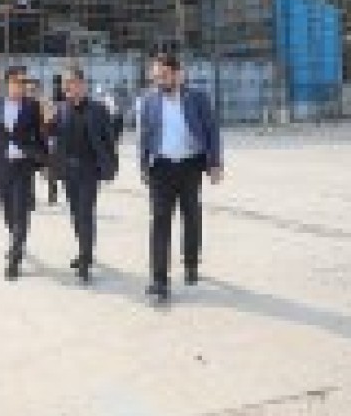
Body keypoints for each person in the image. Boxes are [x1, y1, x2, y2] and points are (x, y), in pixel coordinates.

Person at [137, 54, 223, 301]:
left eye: (163, 76)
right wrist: (143, 165)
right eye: (156, 77)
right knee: (159, 221)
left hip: (190, 166)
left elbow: (212, 130)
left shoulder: (198, 97)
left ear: (178, 74)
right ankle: (159, 279)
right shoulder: (148, 100)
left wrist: (215, 163)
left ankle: (191, 263)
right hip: (161, 167)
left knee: (191, 216)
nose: (159, 81)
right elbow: (145, 135)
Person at [46, 68, 117, 283]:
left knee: (85, 213)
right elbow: (51, 135)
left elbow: (109, 139)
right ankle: (84, 249)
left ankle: (85, 259)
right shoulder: (61, 109)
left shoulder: (98, 109)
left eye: (72, 82)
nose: (68, 86)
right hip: (68, 171)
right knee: (76, 214)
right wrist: (47, 122)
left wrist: (111, 165)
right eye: (65, 83)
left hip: (89, 170)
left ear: (82, 84)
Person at [0, 68, 47, 280]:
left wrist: (43, 161)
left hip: (23, 165)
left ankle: (15, 258)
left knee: (21, 211)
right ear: (7, 83)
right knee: (8, 210)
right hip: (1, 165)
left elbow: (40, 136)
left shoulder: (32, 106)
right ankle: (16, 239)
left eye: (23, 82)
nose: (21, 86)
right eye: (17, 82)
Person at [27, 77, 60, 205]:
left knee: (47, 169)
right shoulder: (24, 103)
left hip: (44, 140)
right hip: (29, 141)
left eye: (33, 89)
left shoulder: (46, 102)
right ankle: (30, 198)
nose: (31, 91)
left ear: (38, 89)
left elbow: (52, 121)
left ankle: (52, 193)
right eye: (29, 89)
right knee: (28, 170)